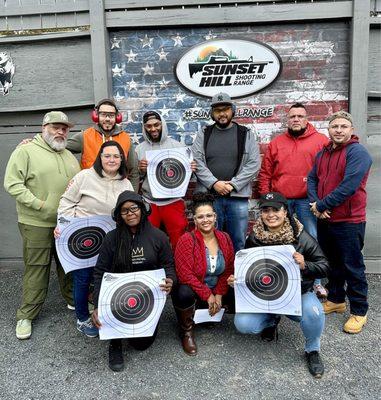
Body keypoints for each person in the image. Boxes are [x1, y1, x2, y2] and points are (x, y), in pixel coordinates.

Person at [229, 192, 329, 378]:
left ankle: (312, 350)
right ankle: (272, 319)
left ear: (285, 212)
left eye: (276, 209)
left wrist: (305, 265)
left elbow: (324, 266)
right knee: (243, 323)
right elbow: (248, 270)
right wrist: (236, 280)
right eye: (266, 210)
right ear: (261, 214)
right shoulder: (254, 238)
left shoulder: (301, 236)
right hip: (266, 295)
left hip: (298, 293)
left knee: (313, 314)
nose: (271, 214)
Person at [3, 111, 80, 340]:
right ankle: (26, 315)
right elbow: (12, 184)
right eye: (56, 127)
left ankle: (72, 299)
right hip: (35, 222)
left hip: (65, 222)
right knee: (37, 267)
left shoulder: (68, 155)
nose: (61, 131)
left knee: (68, 264)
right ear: (44, 127)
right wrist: (40, 204)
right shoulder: (25, 150)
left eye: (65, 128)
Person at [91, 191, 177, 372]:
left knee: (141, 344)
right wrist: (98, 306)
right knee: (111, 320)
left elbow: (169, 265)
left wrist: (170, 280)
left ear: (143, 209)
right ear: (119, 215)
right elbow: (100, 272)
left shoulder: (158, 236)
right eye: (124, 211)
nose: (130, 213)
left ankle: (142, 324)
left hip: (146, 297)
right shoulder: (111, 238)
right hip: (117, 296)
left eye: (134, 208)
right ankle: (114, 343)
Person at [56, 141, 133, 338]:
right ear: (100, 157)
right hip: (83, 238)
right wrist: (63, 226)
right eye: (107, 156)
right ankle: (82, 318)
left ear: (121, 159)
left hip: (111, 240)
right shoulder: (84, 176)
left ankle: (106, 313)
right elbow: (66, 202)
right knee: (82, 279)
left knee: (107, 278)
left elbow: (130, 210)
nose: (112, 160)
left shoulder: (125, 183)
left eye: (116, 156)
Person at [308, 111, 372, 334]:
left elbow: (349, 186)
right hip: (326, 218)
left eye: (344, 126)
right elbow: (313, 178)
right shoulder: (323, 153)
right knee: (332, 264)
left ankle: (359, 311)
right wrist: (317, 204)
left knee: (353, 266)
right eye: (335, 126)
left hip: (349, 221)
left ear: (351, 130)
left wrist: (322, 205)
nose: (339, 130)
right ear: (329, 129)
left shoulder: (358, 153)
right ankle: (336, 299)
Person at [258, 103, 329, 298]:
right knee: (278, 238)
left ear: (307, 119)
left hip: (308, 201)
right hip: (282, 202)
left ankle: (315, 283)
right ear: (287, 120)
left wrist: (322, 201)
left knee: (312, 239)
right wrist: (266, 199)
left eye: (300, 116)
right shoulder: (277, 143)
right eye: (292, 116)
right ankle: (278, 278)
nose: (296, 119)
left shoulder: (321, 141)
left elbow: (327, 173)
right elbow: (265, 173)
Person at [192, 92, 260, 252]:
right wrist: (214, 183)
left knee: (238, 241)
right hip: (210, 198)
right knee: (210, 241)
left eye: (226, 109)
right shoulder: (204, 134)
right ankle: (214, 276)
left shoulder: (245, 133)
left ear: (232, 110)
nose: (222, 113)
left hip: (237, 197)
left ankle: (237, 275)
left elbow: (254, 163)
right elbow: (197, 161)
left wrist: (233, 185)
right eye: (217, 110)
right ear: (212, 113)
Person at [173, 193, 235, 356]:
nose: (205, 220)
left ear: (215, 217)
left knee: (237, 286)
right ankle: (187, 331)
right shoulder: (187, 240)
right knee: (183, 291)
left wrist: (219, 294)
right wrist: (208, 295)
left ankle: (210, 314)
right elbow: (185, 274)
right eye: (200, 217)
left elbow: (229, 268)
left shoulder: (225, 238)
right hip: (196, 289)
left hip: (216, 288)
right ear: (194, 219)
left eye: (209, 215)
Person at [135, 111, 196, 249]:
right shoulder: (139, 149)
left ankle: (181, 269)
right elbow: (135, 178)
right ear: (144, 128)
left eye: (156, 125)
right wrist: (140, 169)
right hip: (149, 202)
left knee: (180, 241)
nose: (153, 129)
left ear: (162, 124)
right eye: (148, 126)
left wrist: (190, 169)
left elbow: (188, 178)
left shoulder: (178, 146)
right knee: (147, 241)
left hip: (173, 201)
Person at [66, 98, 139, 191]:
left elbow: (134, 172)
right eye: (103, 115)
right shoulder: (84, 136)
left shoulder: (126, 139)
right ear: (96, 116)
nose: (107, 119)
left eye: (111, 115)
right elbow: (61, 147)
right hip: (91, 192)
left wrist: (132, 196)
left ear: (117, 117)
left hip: (118, 192)